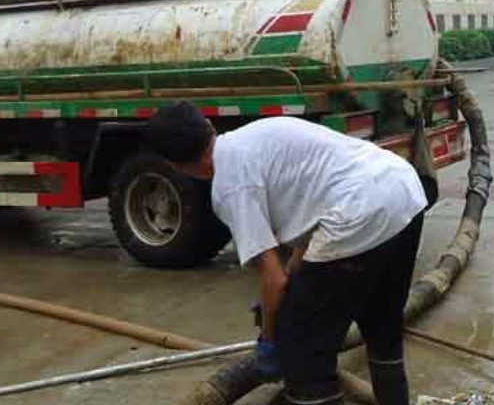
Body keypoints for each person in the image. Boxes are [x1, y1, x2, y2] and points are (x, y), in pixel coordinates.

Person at [146, 102, 429, 405]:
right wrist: (295, 284)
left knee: (301, 348)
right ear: (209, 127)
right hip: (403, 190)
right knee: (382, 328)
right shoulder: (259, 132)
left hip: (357, 212)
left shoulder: (229, 185)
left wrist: (269, 340)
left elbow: (273, 279)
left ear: (175, 165)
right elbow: (309, 220)